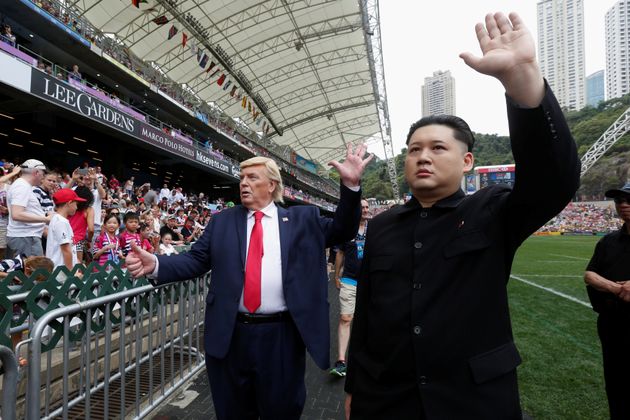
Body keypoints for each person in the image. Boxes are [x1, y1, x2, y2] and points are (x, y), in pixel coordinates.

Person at [344, 12, 580, 419]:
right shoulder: (383, 226)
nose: (422, 157)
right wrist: (353, 389)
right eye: (414, 149)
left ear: (467, 160)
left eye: (438, 148)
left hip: (473, 402)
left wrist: (521, 78)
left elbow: (554, 179)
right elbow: (366, 316)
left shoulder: (491, 211)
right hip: (386, 401)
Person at [126, 147, 372, 419]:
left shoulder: (304, 219)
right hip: (231, 336)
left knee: (281, 410)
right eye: (242, 178)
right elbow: (195, 261)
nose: (244, 183)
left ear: (272, 184)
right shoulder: (221, 222)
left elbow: (344, 228)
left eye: (253, 177)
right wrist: (157, 264)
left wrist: (350, 186)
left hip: (282, 337)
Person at [584, 183, 630, 419]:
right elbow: (589, 274)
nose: (623, 205)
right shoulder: (609, 242)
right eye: (619, 200)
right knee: (616, 386)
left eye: (628, 200)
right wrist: (616, 288)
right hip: (612, 325)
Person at [330, 199, 370, 377]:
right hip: (349, 280)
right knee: (346, 318)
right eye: (362, 207)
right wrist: (336, 275)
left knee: (368, 320)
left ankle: (366, 358)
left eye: (367, 207)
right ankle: (341, 361)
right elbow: (340, 253)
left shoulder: (375, 229)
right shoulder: (347, 230)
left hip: (370, 282)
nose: (365, 210)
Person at [6, 159, 51, 258]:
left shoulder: (23, 185)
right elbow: (16, 214)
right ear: (36, 172)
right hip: (25, 238)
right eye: (43, 173)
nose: (43, 177)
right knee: (33, 272)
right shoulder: (22, 186)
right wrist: (46, 219)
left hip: (25, 237)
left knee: (25, 271)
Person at [46, 189, 85, 270]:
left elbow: (70, 248)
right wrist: (71, 273)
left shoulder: (59, 219)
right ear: (69, 203)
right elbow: (66, 250)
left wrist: (77, 262)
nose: (77, 207)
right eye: (76, 204)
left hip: (62, 268)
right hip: (61, 270)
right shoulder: (60, 221)